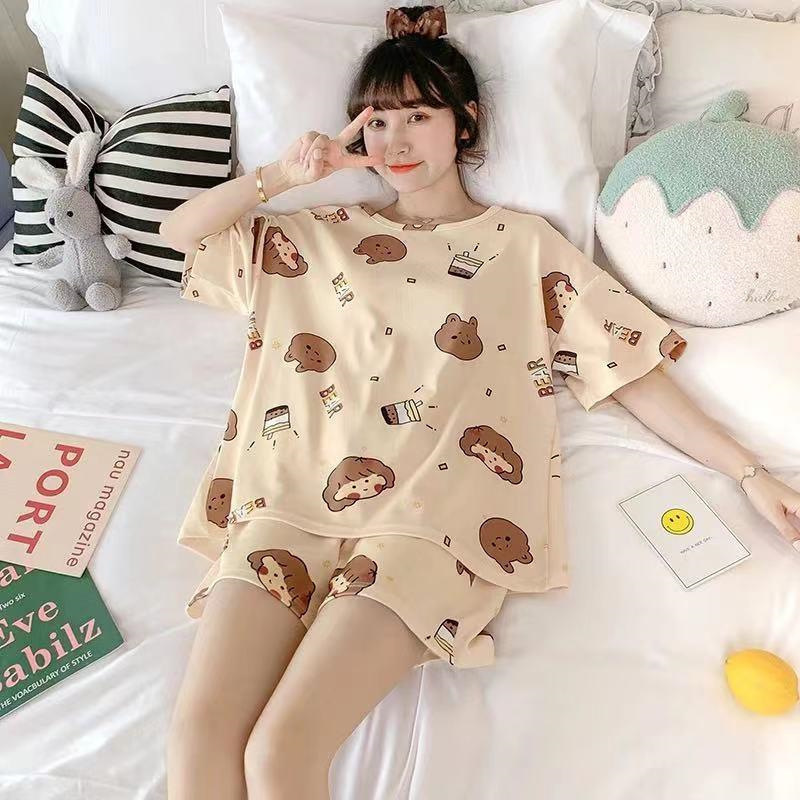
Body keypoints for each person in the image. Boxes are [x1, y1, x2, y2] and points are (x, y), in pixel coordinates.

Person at [160, 6, 800, 799]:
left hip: (432, 519)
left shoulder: (524, 247)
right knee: (199, 738)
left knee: (280, 752)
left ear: (464, 122)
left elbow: (628, 370)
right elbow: (180, 234)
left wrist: (748, 472)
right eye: (377, 120)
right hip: (285, 498)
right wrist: (282, 179)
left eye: (418, 116)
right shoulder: (310, 233)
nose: (395, 140)